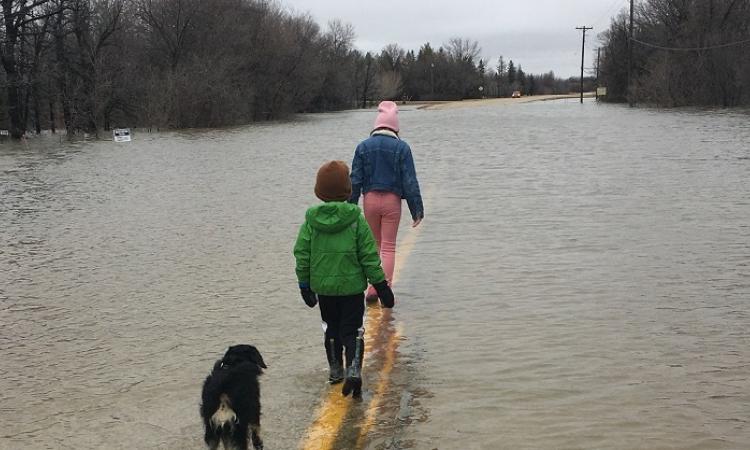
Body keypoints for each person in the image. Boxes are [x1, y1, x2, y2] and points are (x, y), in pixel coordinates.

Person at [293, 160, 394, 398]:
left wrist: (304, 284)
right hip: (351, 289)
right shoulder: (356, 220)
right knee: (353, 330)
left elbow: (302, 254)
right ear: (348, 190)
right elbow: (369, 255)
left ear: (319, 192)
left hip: (325, 290)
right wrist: (381, 285)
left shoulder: (311, 222)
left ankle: (335, 370)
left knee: (331, 328)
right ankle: (354, 370)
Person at [349, 101, 424, 302]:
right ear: (395, 127)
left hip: (370, 200)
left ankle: (373, 288)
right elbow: (410, 181)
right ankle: (386, 289)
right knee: (389, 247)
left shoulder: (363, 147)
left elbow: (355, 180)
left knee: (373, 245)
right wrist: (417, 209)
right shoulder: (402, 148)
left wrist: (349, 208)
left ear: (377, 125)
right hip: (392, 201)